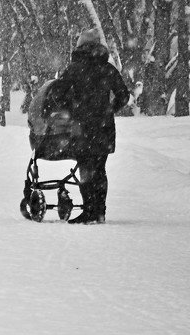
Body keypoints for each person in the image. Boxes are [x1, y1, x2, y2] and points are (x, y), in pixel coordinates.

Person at [47, 28, 130, 224]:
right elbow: (124, 96)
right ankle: (99, 211)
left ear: (81, 47)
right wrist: (109, 109)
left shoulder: (75, 68)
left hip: (81, 126)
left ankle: (88, 210)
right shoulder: (108, 68)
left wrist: (70, 110)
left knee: (86, 167)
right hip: (104, 127)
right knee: (100, 169)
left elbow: (57, 94)